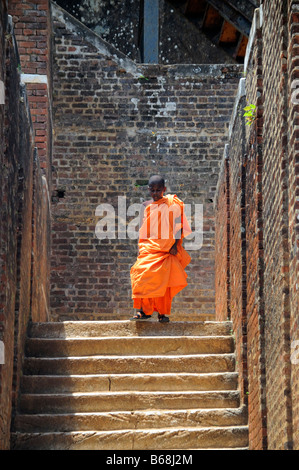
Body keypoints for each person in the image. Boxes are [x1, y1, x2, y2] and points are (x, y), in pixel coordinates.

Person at [130, 175, 191, 323]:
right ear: (148, 190)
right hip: (149, 247)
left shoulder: (172, 203)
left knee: (164, 280)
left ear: (164, 189)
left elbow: (178, 225)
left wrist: (176, 245)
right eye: (153, 190)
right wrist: (141, 247)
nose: (156, 193)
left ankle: (162, 313)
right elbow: (142, 229)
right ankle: (143, 311)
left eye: (159, 190)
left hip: (167, 248)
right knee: (140, 274)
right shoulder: (145, 205)